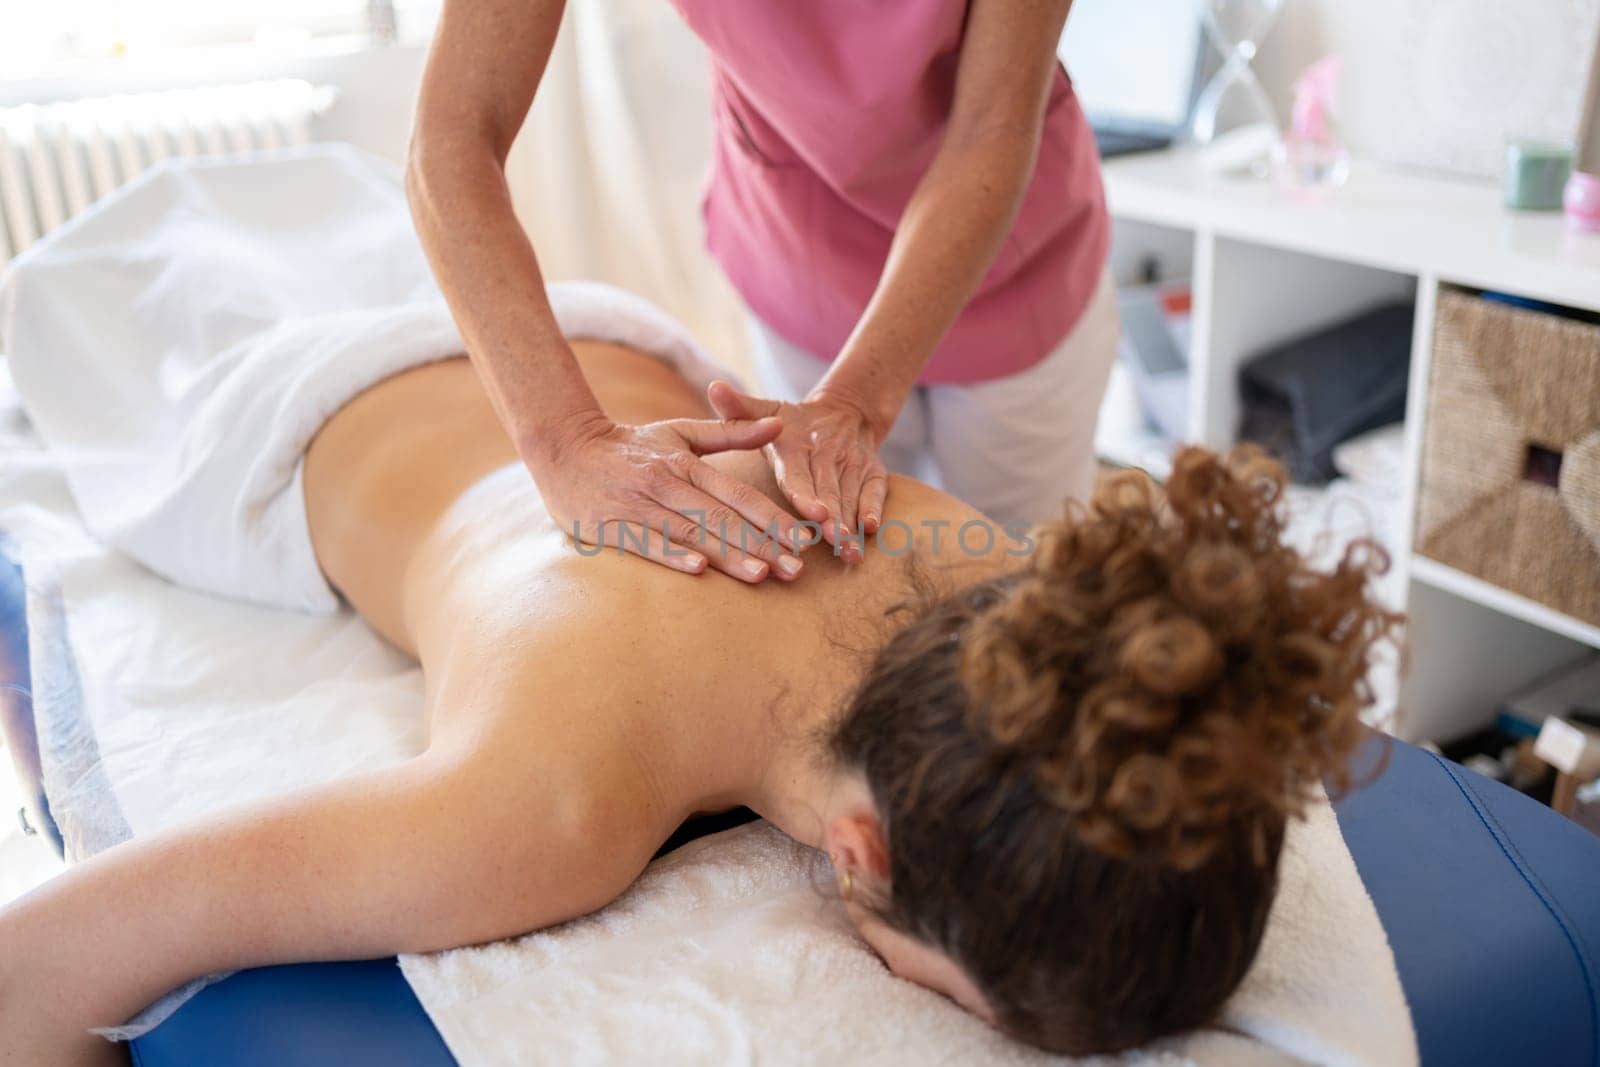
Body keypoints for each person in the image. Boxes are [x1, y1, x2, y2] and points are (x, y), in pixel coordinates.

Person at [0, 329, 1394, 1065]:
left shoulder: (1001, 572)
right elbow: (39, 956)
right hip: (304, 411)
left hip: (601, 328)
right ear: (863, 853)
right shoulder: (553, 805)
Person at [407, 0, 1116, 579]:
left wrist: (857, 401)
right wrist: (566, 443)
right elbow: (451, 141)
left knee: (1018, 583)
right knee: (851, 574)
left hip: (1008, 263)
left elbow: (991, 127)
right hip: (795, 242)